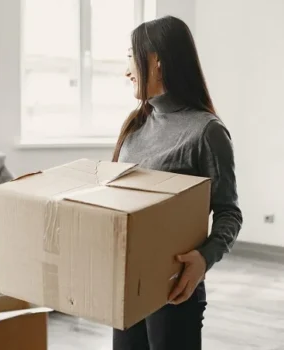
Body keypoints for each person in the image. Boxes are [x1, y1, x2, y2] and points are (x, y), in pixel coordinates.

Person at [112, 16, 243, 350]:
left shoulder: (207, 132)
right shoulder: (135, 124)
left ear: (156, 61)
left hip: (174, 290)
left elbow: (229, 212)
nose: (126, 70)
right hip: (125, 285)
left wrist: (204, 258)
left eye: (131, 56)